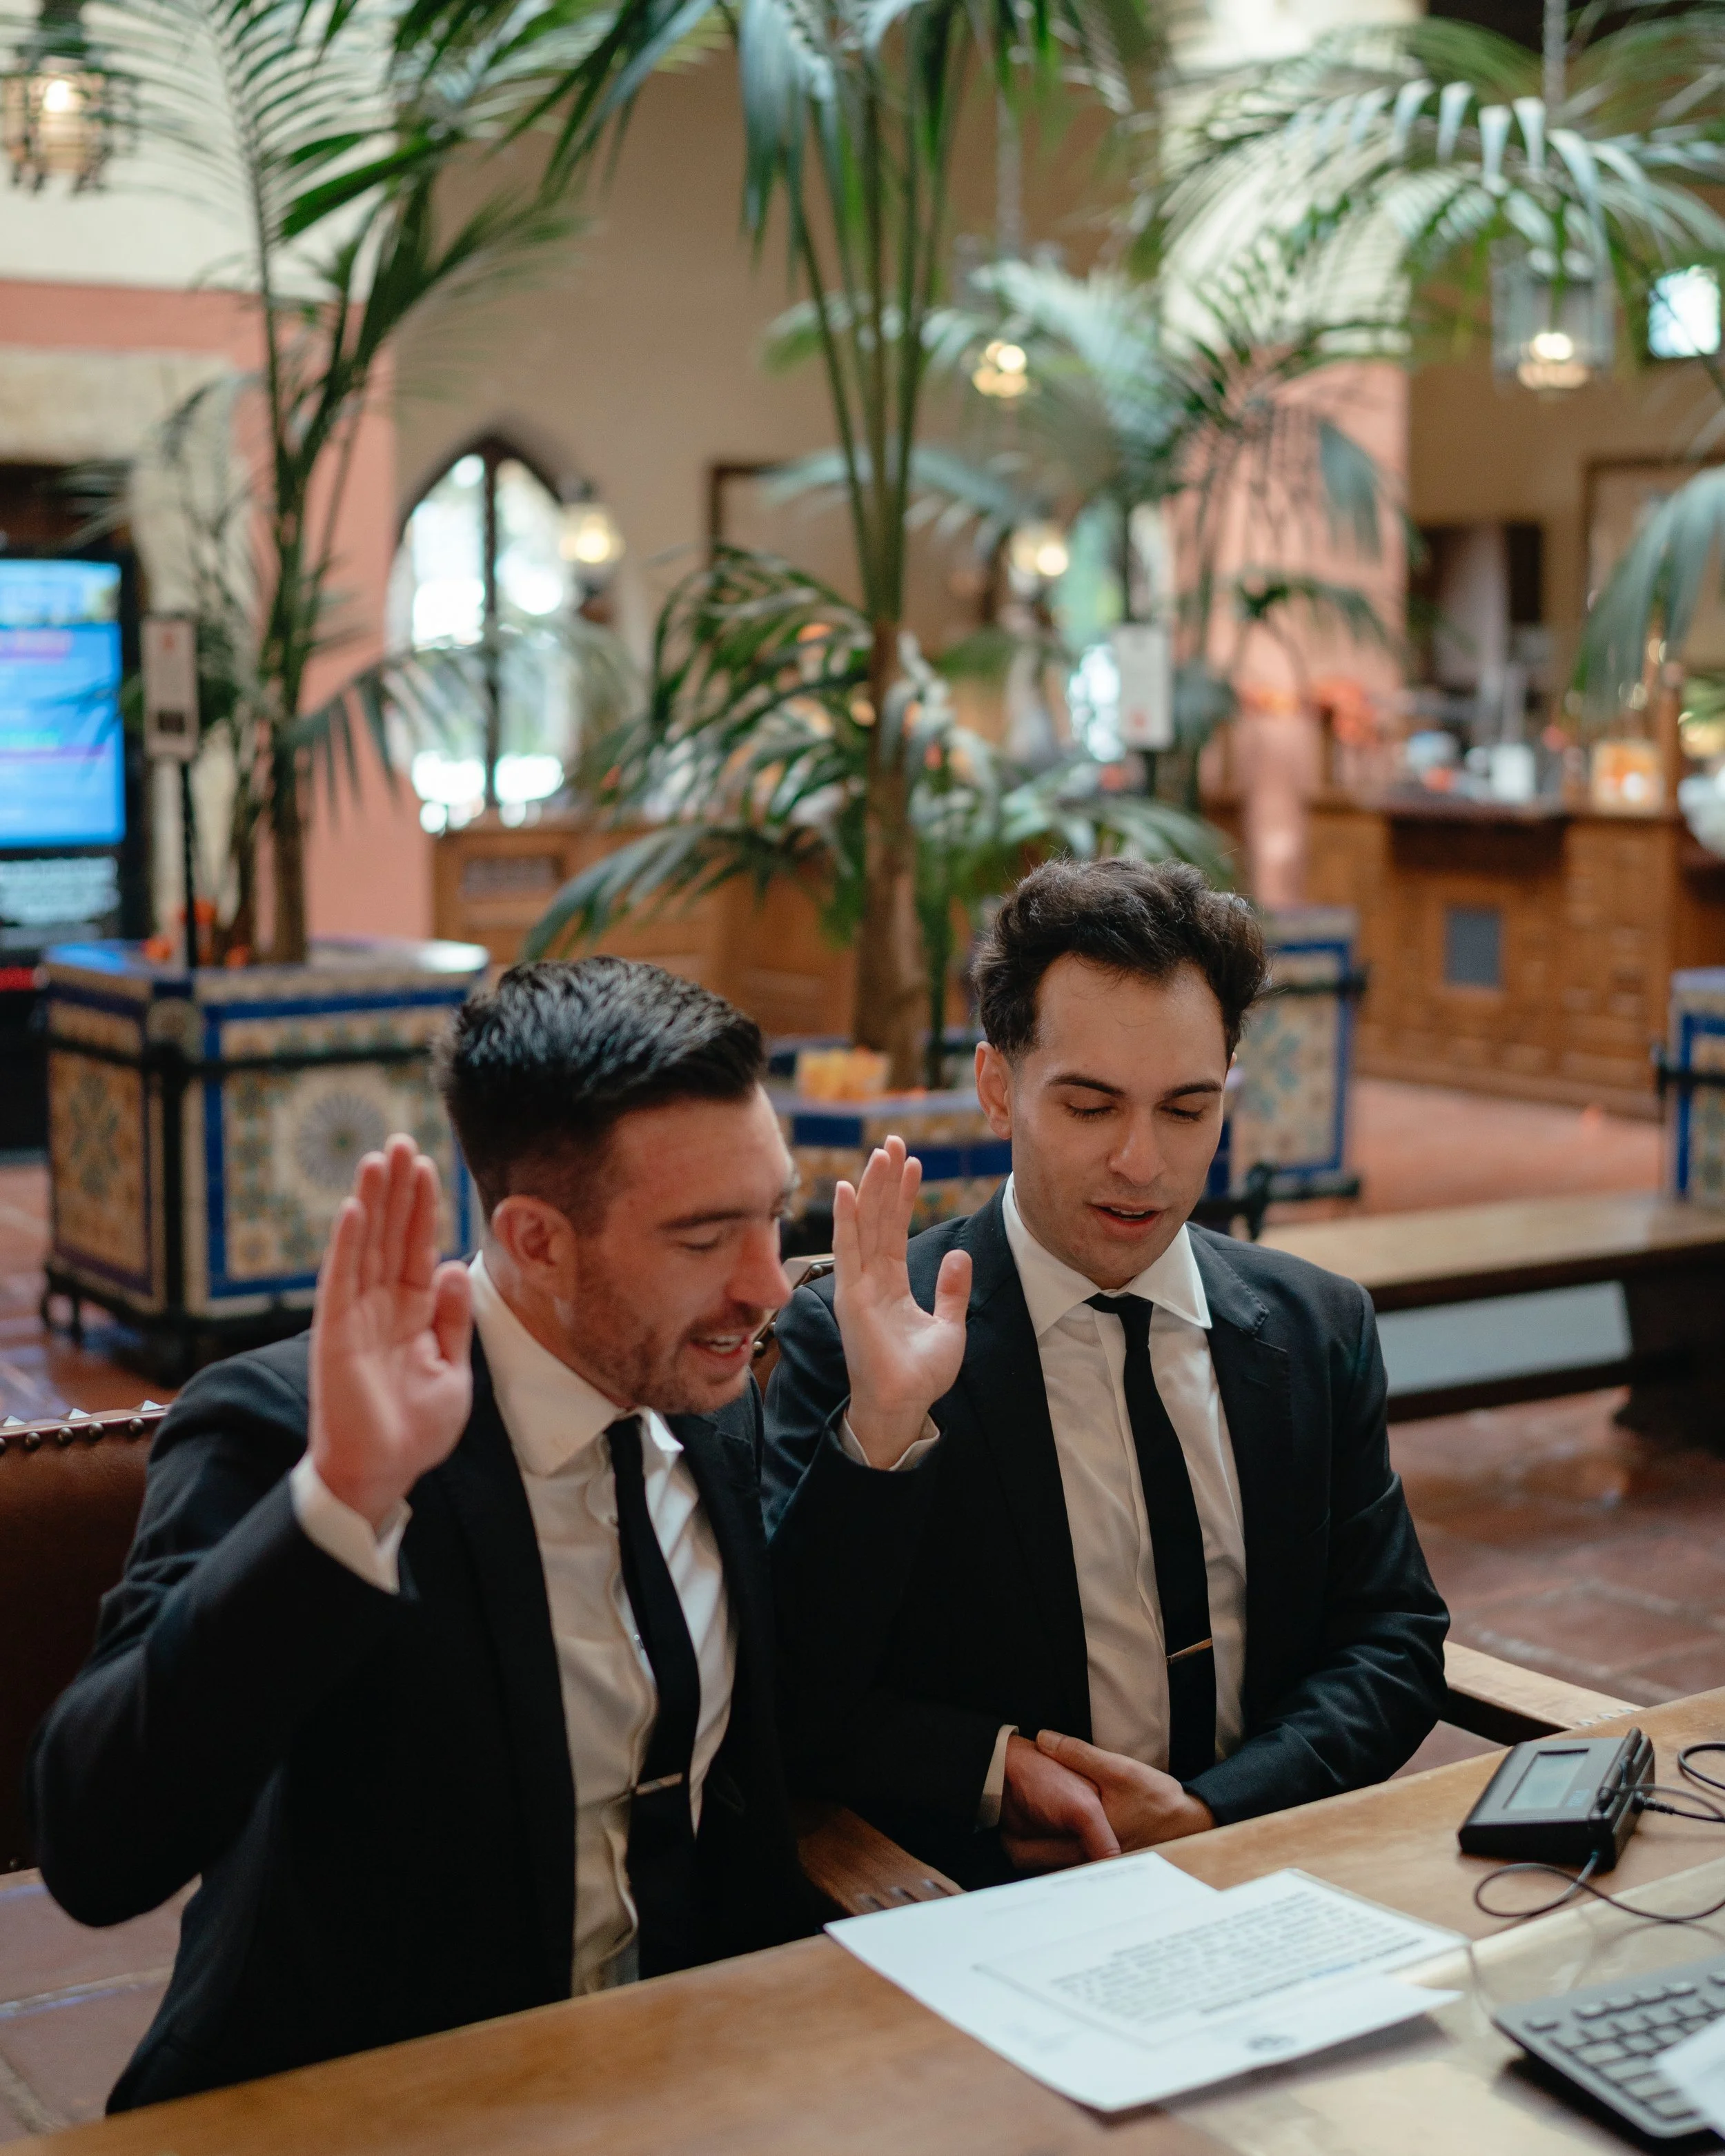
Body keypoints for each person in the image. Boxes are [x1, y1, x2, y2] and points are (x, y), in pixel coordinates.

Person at [30, 958, 816, 2110]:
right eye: (704, 1240)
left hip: (680, 2078)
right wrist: (345, 1502)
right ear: (537, 1240)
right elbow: (96, 1852)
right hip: (365, 2106)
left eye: (775, 1216)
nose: (768, 1286)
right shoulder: (290, 1430)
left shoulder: (703, 1388)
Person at [764, 858, 1448, 1887]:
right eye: (1090, 1108)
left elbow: (1393, 1637)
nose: (1143, 1163)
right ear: (998, 1087)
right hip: (998, 1905)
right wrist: (995, 1770)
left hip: (1267, 1872)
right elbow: (795, 1694)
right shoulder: (866, 1331)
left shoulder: (1316, 1326)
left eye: (1186, 1111)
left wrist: (1219, 1810)